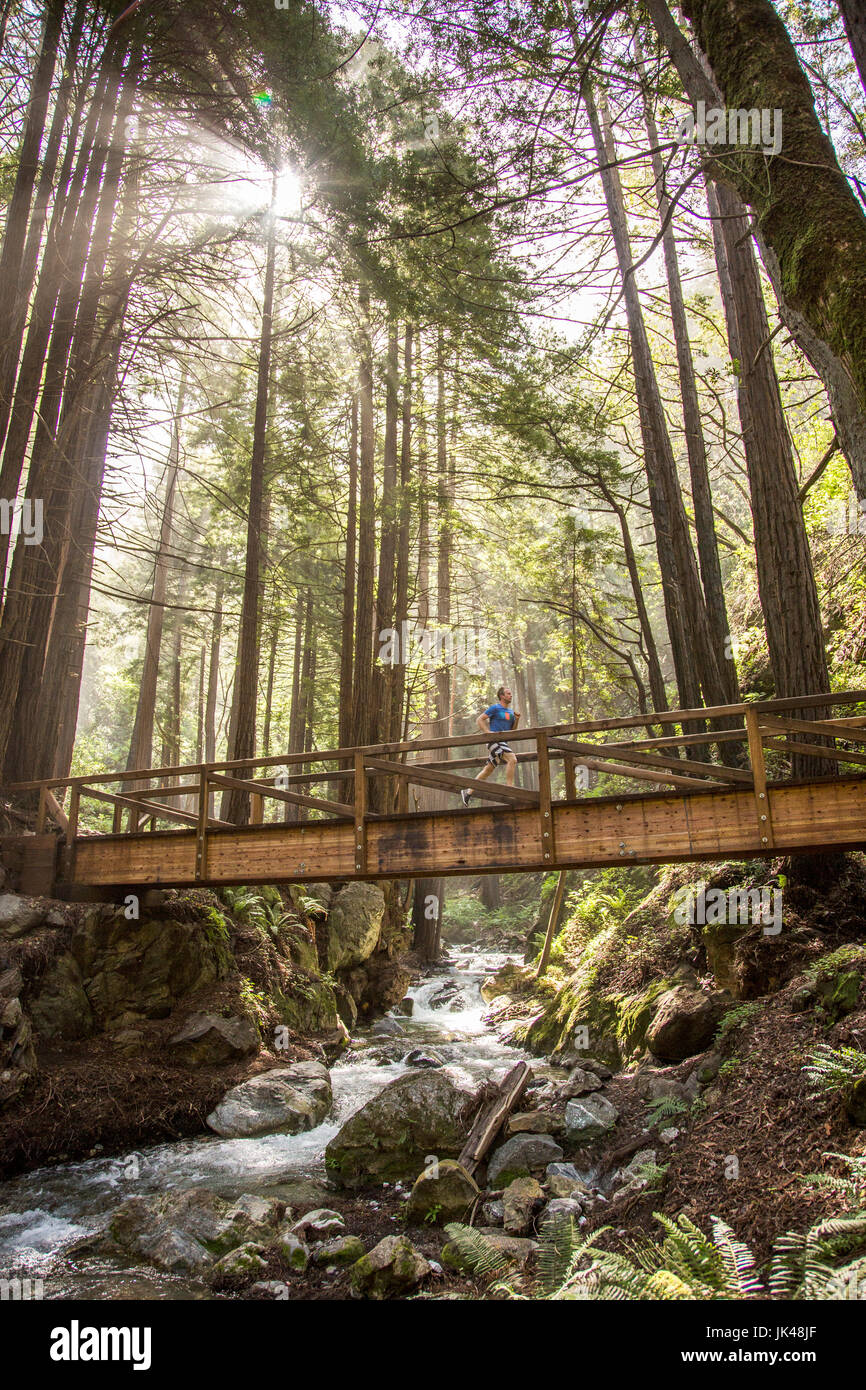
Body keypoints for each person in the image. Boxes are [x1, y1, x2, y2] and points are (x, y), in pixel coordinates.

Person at [461, 686, 521, 805]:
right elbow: (479, 720)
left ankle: (468, 793)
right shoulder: (495, 708)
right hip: (494, 742)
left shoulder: (510, 712)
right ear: (502, 696)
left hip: (503, 743)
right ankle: (510, 789)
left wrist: (517, 719)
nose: (511, 695)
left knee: (488, 770)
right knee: (512, 759)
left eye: (511, 693)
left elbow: (512, 731)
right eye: (508, 693)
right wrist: (488, 733)